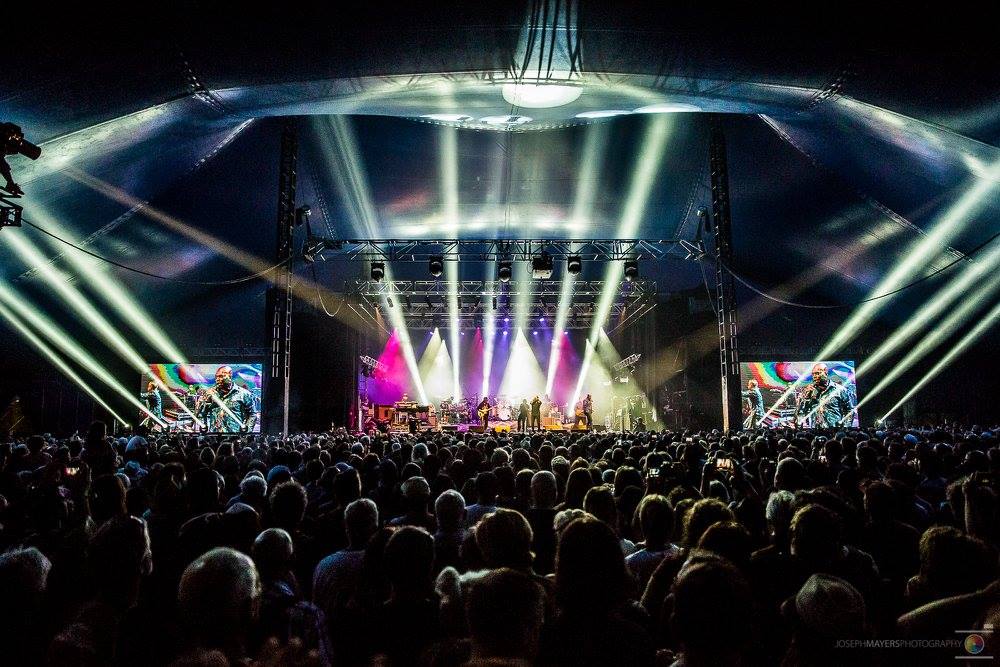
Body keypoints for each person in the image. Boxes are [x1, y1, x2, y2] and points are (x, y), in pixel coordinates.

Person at [196, 365, 258, 433]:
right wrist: (203, 426)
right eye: (216, 377)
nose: (218, 379)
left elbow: (253, 414)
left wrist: (247, 431)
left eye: (221, 376)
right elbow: (203, 414)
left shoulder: (244, 394)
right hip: (214, 436)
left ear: (230, 376)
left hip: (235, 436)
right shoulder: (211, 394)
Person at [795, 363, 853, 428]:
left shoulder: (840, 390)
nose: (814, 376)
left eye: (817, 373)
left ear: (826, 372)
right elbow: (801, 412)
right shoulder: (809, 391)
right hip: (815, 431)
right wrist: (806, 398)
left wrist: (845, 427)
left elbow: (849, 411)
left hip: (835, 431)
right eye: (813, 374)